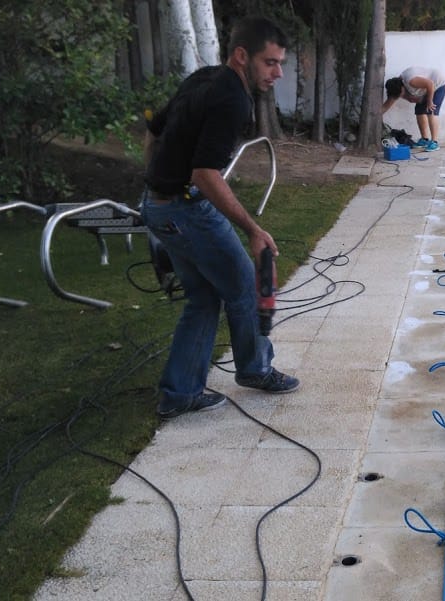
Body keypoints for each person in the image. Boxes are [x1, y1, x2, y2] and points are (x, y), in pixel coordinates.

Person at [140, 16, 300, 419]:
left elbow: (153, 132)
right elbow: (205, 174)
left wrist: (155, 184)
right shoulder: (232, 99)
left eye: (280, 64)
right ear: (242, 56)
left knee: (204, 296)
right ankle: (255, 369)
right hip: (184, 208)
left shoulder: (204, 78)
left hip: (159, 206)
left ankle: (179, 393)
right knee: (244, 284)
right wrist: (253, 229)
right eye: (270, 63)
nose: (278, 73)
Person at [381, 67, 445, 152]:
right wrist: (375, 116)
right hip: (426, 88)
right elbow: (386, 106)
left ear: (402, 88)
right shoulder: (395, 88)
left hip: (439, 83)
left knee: (431, 110)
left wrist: (430, 101)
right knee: (419, 111)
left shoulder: (411, 81)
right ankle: (424, 140)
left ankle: (434, 142)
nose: (401, 97)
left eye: (401, 95)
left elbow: (430, 84)